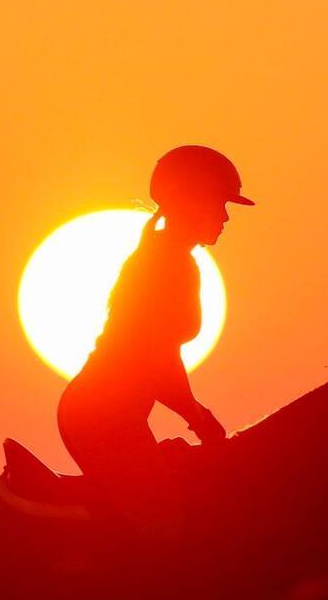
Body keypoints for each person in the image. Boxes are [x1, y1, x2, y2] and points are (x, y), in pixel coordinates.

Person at [57, 145, 252, 540]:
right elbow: (157, 359)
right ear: (193, 200)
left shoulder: (168, 258)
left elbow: (160, 359)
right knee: (164, 527)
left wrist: (196, 412)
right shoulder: (170, 264)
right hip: (103, 419)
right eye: (220, 204)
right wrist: (197, 417)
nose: (226, 217)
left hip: (108, 415)